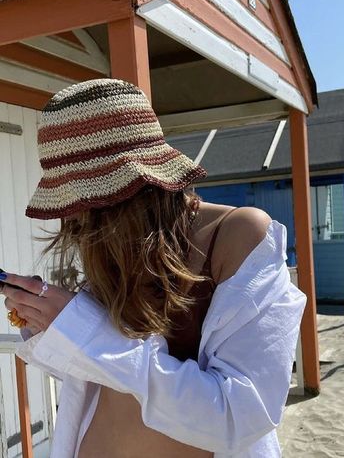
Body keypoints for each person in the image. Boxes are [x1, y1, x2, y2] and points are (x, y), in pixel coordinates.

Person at [0, 78, 306, 458]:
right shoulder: (114, 246)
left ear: (132, 188)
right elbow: (113, 382)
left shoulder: (235, 235)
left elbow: (240, 416)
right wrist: (48, 325)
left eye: (83, 206)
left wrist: (83, 329)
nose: (74, 223)